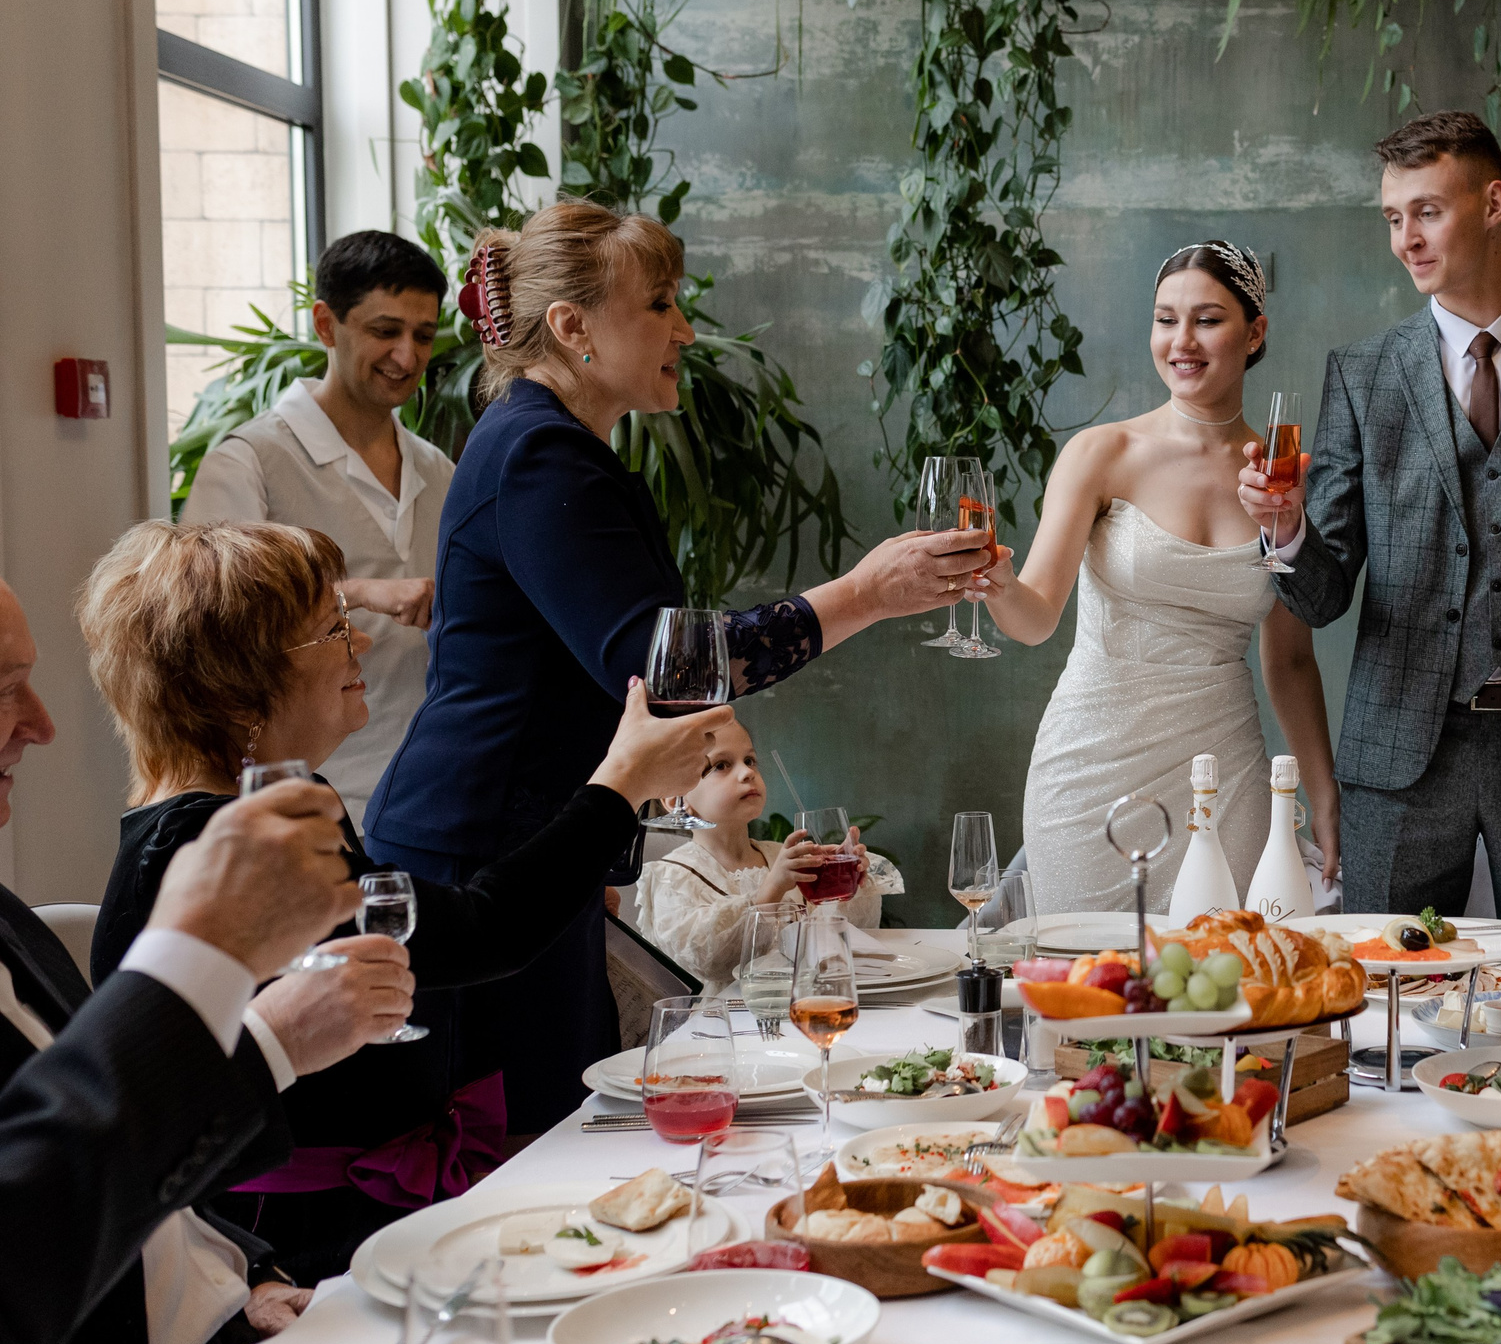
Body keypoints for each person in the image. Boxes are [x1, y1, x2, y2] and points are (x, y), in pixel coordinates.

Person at [364, 200, 999, 1133]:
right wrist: (864, 594)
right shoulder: (538, 452)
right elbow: (665, 669)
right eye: (659, 304)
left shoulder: (549, 442)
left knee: (560, 1131)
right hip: (481, 860)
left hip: (526, 850)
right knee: (515, 1145)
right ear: (571, 326)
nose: (685, 330)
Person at [76, 520, 733, 1281]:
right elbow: (479, 931)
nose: (359, 642)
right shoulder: (213, 845)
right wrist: (621, 784)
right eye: (332, 629)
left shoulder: (251, 812)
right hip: (290, 1259)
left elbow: (440, 933)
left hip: (362, 1221)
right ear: (242, 682)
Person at [0, 572, 410, 1344]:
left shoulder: (5, 917)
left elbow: (99, 1150)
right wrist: (202, 957)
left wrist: (244, 1271)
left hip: (230, 1337)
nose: (44, 725)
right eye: (4, 689)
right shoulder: (185, 840)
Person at [1237, 111, 1501, 920]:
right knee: (1387, 985)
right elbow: (1321, 596)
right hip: (1398, 757)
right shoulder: (1363, 373)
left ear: (1493, 203)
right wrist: (1287, 528)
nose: (1406, 240)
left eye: (1427, 212)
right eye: (1393, 218)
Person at [978, 241, 1339, 909]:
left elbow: (1289, 661)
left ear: (1254, 333)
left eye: (1207, 319)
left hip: (1224, 775)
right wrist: (999, 585)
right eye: (1166, 319)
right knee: (1089, 970)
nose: (1182, 341)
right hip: (1090, 769)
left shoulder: (1278, 476)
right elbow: (1035, 618)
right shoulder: (1102, 453)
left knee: (1219, 965)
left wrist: (1323, 795)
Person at [183, 230, 455, 828]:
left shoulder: (441, 471)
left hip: (434, 799)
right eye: (385, 331)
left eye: (423, 335)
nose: (407, 356)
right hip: (302, 806)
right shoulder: (249, 461)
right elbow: (204, 625)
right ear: (326, 325)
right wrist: (357, 593)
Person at [631, 720, 905, 991]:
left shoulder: (781, 855)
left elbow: (847, 935)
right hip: (728, 1014)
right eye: (721, 765)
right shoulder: (670, 877)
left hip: (808, 1003)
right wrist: (770, 890)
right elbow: (708, 961)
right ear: (676, 799)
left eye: (749, 760)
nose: (747, 773)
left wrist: (844, 884)